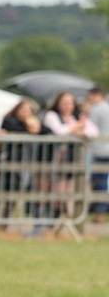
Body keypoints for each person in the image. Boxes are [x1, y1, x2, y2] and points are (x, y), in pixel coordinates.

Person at [42, 90, 99, 217]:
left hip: (72, 159)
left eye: (70, 103)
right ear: (58, 103)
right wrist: (75, 128)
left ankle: (65, 221)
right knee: (54, 192)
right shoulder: (51, 115)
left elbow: (93, 131)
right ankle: (49, 223)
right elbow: (59, 131)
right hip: (53, 159)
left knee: (70, 192)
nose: (67, 106)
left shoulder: (77, 116)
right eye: (64, 103)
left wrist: (79, 130)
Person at [84, 87, 109, 221]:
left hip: (99, 149)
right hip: (105, 149)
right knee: (102, 181)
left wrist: (86, 111)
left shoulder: (97, 109)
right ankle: (100, 212)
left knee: (98, 182)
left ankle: (99, 213)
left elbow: (89, 128)